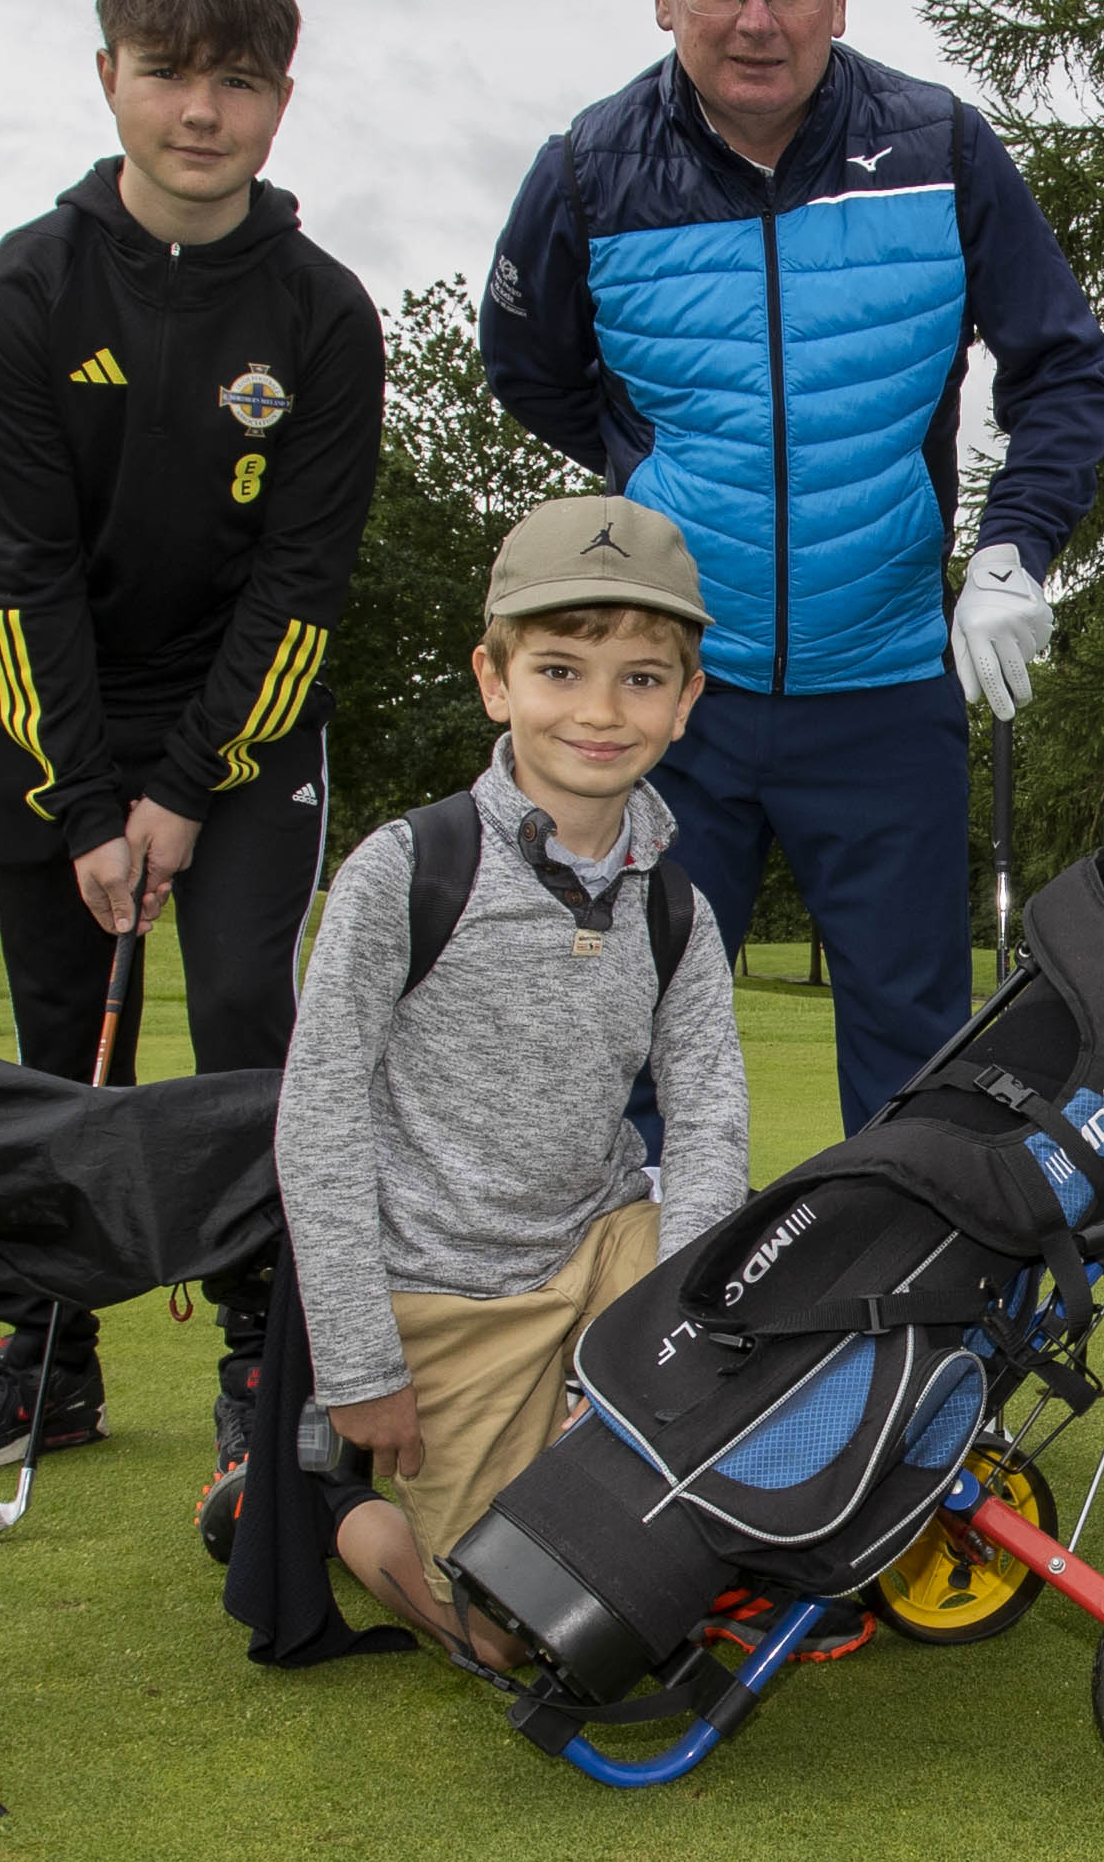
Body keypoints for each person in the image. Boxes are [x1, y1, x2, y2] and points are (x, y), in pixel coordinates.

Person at [478, 0, 1104, 1136]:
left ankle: (900, 1340)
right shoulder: (590, 169)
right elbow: (528, 365)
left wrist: (1012, 550)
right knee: (632, 1040)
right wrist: (649, 474)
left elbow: (1060, 362)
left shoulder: (938, 147)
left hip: (881, 683)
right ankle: (624, 1335)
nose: (754, 19)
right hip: (668, 698)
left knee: (913, 1059)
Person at [0, 0, 379, 1489]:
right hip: (62, 726)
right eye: (168, 72)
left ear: (281, 101)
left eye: (237, 82)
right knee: (61, 1049)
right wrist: (93, 804)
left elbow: (302, 591)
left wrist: (187, 788)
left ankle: (264, 1351)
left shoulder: (321, 314)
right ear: (108, 74)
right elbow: (18, 577)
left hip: (246, 729)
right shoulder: (26, 291)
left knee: (247, 1016)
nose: (200, 112)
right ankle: (48, 1353)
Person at [272, 498, 751, 1663]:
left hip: (602, 1248)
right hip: (446, 1292)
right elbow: (318, 1116)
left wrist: (677, 1336)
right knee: (518, 1636)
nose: (598, 711)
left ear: (686, 704)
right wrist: (358, 1364)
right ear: (494, 681)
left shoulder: (677, 905)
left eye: (642, 679)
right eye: (558, 669)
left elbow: (707, 1120)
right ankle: (326, 1501)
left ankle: (609, 1449)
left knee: (764, 1315)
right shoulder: (406, 867)